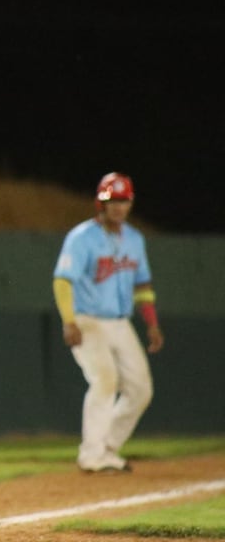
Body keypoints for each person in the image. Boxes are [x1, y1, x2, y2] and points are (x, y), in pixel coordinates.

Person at [53, 171, 163, 473]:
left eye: (123, 201)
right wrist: (69, 321)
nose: (117, 206)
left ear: (130, 203)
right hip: (87, 319)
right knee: (105, 380)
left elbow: (143, 284)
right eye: (111, 200)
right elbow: (62, 280)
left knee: (140, 389)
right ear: (100, 203)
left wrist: (151, 322)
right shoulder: (82, 237)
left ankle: (108, 448)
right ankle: (91, 455)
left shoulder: (135, 239)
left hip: (120, 322)